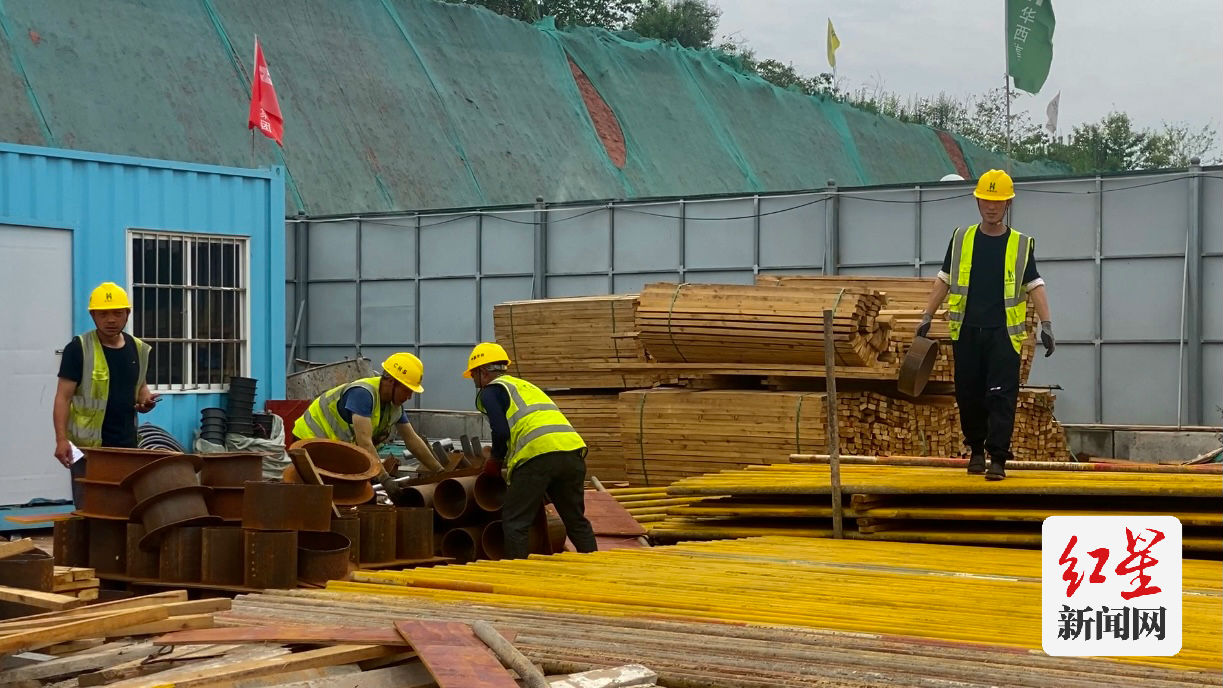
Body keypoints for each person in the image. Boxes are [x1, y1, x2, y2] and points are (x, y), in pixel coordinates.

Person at [918, 169, 1055, 481]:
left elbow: (1035, 284)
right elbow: (944, 280)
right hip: (966, 332)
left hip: (1003, 335)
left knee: (1001, 396)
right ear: (977, 200)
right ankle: (976, 451)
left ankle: (998, 458)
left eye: (998, 202)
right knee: (968, 394)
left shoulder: (1021, 244)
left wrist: (1046, 324)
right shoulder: (961, 238)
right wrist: (926, 316)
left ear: (1007, 204)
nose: (992, 207)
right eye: (986, 201)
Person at [465, 342, 597, 558]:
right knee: (575, 521)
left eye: (473, 376)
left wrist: (495, 461)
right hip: (572, 454)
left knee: (515, 521)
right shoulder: (525, 387)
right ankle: (596, 570)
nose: (475, 382)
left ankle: (518, 580)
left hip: (538, 457)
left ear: (483, 371)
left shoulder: (491, 391)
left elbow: (500, 432)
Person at [53, 282, 158, 506]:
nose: (110, 320)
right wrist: (61, 440)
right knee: (89, 509)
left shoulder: (137, 348)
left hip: (127, 446)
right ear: (93, 316)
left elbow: (140, 386)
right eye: (103, 314)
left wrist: (145, 400)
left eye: (117, 313)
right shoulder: (79, 348)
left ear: (127, 314)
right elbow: (63, 397)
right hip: (87, 449)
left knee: (123, 508)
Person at [293, 353, 443, 474]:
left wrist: (439, 470)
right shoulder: (363, 394)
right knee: (333, 491)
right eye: (407, 390)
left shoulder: (394, 407)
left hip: (331, 447)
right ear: (391, 381)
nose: (409, 397)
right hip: (308, 441)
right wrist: (384, 480)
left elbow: (412, 441)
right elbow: (365, 443)